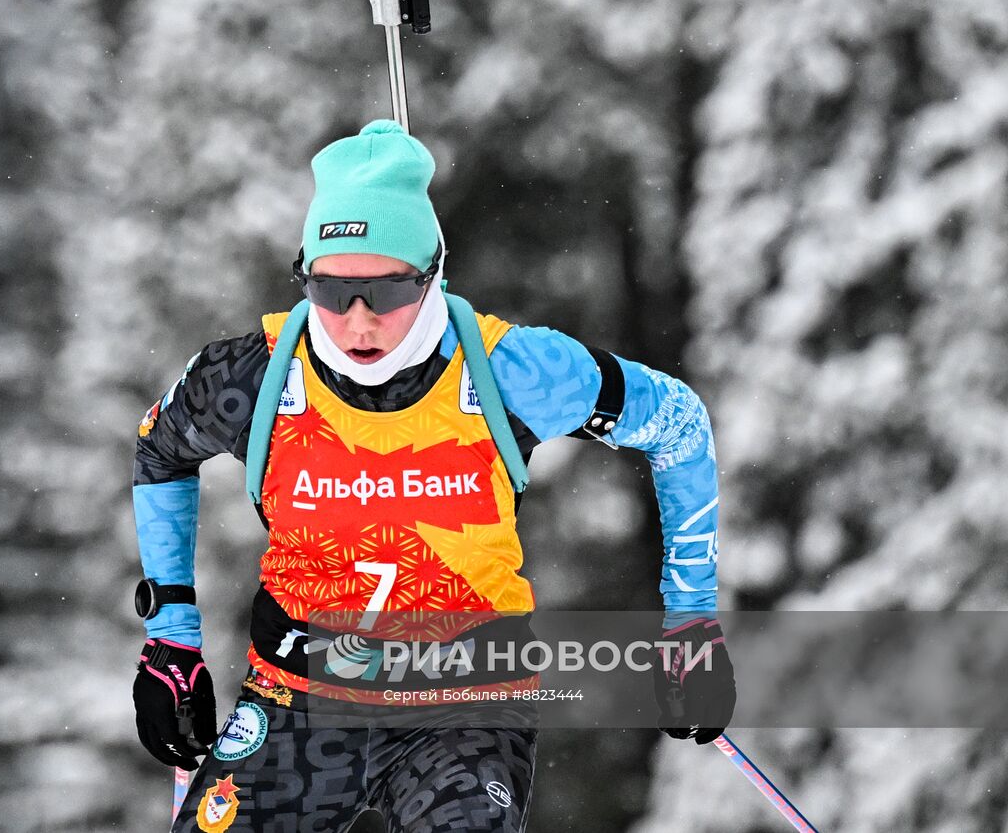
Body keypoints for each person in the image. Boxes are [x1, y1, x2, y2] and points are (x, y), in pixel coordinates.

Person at [131, 119, 735, 832]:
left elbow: (679, 423)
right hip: (297, 699)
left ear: (432, 274)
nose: (357, 322)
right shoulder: (253, 376)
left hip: (466, 706)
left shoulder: (513, 371)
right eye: (329, 290)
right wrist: (172, 634)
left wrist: (691, 617)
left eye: (385, 292)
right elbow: (160, 449)